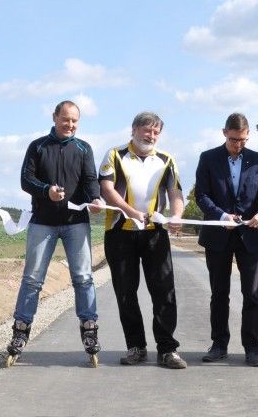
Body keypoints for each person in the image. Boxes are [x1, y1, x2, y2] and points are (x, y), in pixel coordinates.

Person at [6, 100, 103, 364]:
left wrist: (95, 199)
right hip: (43, 222)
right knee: (33, 279)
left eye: (74, 121)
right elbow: (26, 179)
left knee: (83, 278)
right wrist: (46, 190)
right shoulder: (37, 146)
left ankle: (89, 327)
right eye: (65, 119)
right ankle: (21, 330)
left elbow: (90, 181)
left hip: (76, 223)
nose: (70, 125)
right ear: (55, 117)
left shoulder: (84, 148)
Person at [100, 111, 186, 369]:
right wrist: (130, 212)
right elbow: (106, 188)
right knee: (126, 292)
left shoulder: (167, 159)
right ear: (134, 130)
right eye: (146, 130)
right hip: (119, 232)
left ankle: (168, 349)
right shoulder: (114, 154)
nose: (151, 136)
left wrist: (177, 215)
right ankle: (136, 347)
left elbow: (175, 192)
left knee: (164, 291)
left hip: (155, 234)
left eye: (156, 132)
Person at [194, 113, 258, 368]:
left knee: (252, 294)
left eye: (242, 140)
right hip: (218, 236)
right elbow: (201, 194)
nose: (238, 145)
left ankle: (252, 349)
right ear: (224, 133)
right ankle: (219, 345)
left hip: (250, 237)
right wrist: (221, 215)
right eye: (233, 140)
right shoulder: (208, 158)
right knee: (219, 294)